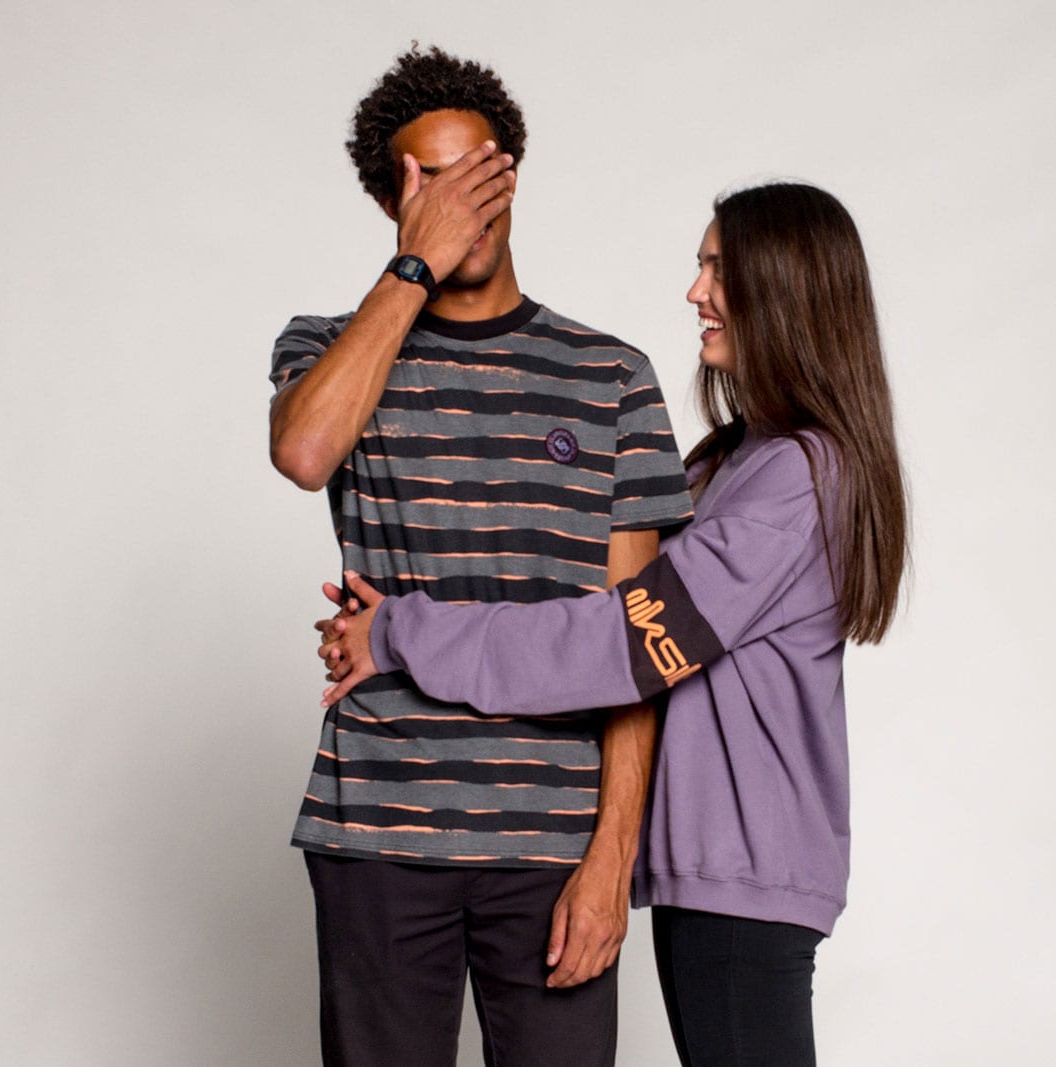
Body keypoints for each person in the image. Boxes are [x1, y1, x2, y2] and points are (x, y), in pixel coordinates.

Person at [316, 181, 909, 1067]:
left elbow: (620, 644)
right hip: (714, 880)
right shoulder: (731, 461)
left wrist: (403, 630)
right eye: (701, 265)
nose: (697, 291)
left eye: (720, 268)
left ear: (787, 292)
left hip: (743, 889)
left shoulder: (800, 477)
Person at [269, 46, 693, 1067]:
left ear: (509, 172)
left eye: (475, 172)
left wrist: (609, 858)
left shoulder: (610, 377)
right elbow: (303, 449)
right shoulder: (328, 345)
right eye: (427, 179)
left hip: (549, 844)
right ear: (392, 200)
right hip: (376, 829)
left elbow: (638, 636)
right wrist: (411, 266)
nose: (459, 200)